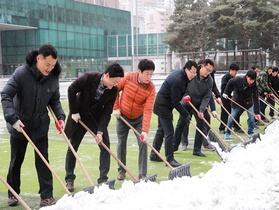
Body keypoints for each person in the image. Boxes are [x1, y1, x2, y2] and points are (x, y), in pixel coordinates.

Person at [1, 44, 65, 207]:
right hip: (19, 125)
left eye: (53, 65)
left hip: (40, 125)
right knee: (16, 161)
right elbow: (6, 94)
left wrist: (60, 117)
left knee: (43, 161)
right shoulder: (21, 73)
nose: (50, 68)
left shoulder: (52, 77)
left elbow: (54, 100)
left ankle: (46, 196)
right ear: (39, 58)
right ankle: (13, 193)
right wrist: (12, 118)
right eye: (47, 64)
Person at [64, 63, 124, 192]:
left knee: (105, 147)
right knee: (73, 146)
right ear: (107, 75)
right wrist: (74, 112)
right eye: (114, 81)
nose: (115, 84)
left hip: (95, 118)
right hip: (79, 116)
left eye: (117, 82)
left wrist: (100, 131)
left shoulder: (113, 90)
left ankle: (103, 180)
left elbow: (107, 112)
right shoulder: (89, 77)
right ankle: (69, 178)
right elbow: (71, 89)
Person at [113, 59, 155, 180]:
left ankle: (142, 173)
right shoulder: (128, 77)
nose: (149, 77)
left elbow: (148, 110)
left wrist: (145, 131)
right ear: (139, 71)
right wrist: (116, 107)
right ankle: (121, 170)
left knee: (143, 143)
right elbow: (115, 89)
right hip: (122, 116)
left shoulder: (151, 88)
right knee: (121, 144)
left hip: (138, 118)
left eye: (151, 74)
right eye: (147, 73)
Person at [150, 60, 198, 167]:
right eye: (192, 72)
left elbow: (181, 93)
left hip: (163, 103)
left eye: (195, 73)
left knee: (161, 130)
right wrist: (186, 114)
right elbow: (175, 101)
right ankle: (170, 159)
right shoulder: (179, 79)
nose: (194, 75)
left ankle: (154, 154)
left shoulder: (184, 77)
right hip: (163, 105)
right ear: (186, 69)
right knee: (169, 132)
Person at [175, 59, 214, 157]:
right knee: (181, 123)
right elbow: (184, 86)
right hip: (186, 102)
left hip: (198, 104)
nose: (208, 72)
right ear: (202, 66)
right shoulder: (193, 74)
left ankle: (197, 150)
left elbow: (207, 96)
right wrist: (185, 97)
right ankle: (175, 145)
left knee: (201, 124)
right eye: (207, 70)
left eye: (211, 71)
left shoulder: (209, 80)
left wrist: (201, 110)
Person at [223, 70, 260, 139]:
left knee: (252, 118)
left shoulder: (255, 86)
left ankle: (250, 133)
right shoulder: (238, 80)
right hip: (237, 101)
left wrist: (257, 113)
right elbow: (230, 82)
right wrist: (226, 92)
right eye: (250, 79)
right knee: (232, 117)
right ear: (247, 77)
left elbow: (255, 99)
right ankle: (227, 132)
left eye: (253, 80)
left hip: (248, 102)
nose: (251, 81)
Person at [218, 63, 240, 133]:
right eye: (235, 71)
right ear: (231, 70)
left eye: (237, 72)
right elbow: (223, 88)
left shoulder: (234, 78)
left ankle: (236, 126)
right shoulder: (225, 77)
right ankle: (222, 128)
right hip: (224, 97)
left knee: (235, 111)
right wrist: (228, 92)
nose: (236, 73)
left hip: (232, 97)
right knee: (225, 112)